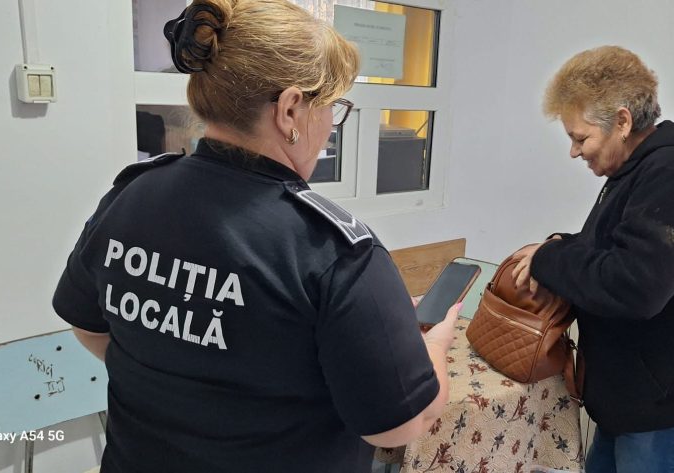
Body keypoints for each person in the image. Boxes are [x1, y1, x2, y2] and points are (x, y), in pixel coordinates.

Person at [51, 1, 459, 471]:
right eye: (332, 106)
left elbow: (87, 326)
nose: (330, 125)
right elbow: (400, 425)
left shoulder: (130, 196)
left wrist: (184, 389)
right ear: (290, 109)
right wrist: (433, 347)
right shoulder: (333, 251)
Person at [511, 46, 674, 472]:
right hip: (639, 398)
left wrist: (552, 258)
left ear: (622, 122)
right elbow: (622, 247)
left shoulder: (673, 172)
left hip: (672, 406)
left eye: (580, 138)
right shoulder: (639, 170)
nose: (574, 152)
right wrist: (563, 245)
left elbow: (635, 285)